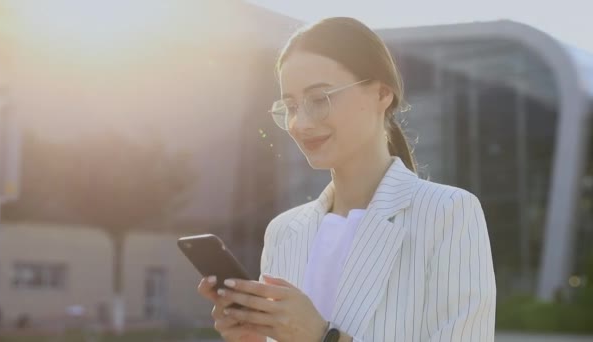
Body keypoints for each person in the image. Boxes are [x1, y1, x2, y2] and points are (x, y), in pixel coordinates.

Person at [198, 17, 496, 342]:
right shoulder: (284, 232)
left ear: (382, 93)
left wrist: (322, 337)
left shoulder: (448, 212)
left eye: (320, 99)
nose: (301, 123)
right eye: (291, 106)